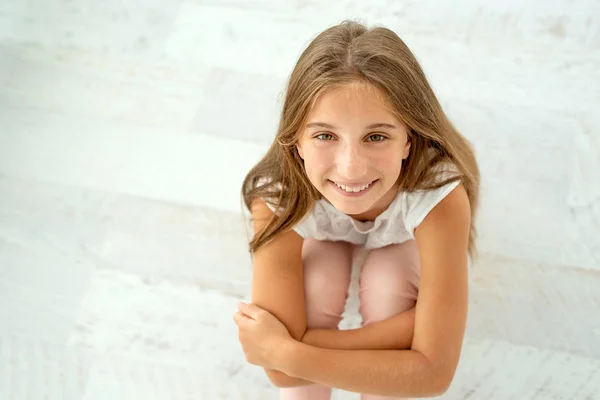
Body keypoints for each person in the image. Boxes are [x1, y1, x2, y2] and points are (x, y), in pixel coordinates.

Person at [233, 19, 480, 400]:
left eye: (376, 136)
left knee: (387, 282)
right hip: (324, 240)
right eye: (325, 136)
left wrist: (288, 350)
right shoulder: (276, 197)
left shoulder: (438, 194)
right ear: (295, 140)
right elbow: (281, 377)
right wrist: (411, 329)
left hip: (400, 246)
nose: (351, 168)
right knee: (320, 281)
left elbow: (433, 375)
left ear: (409, 140)